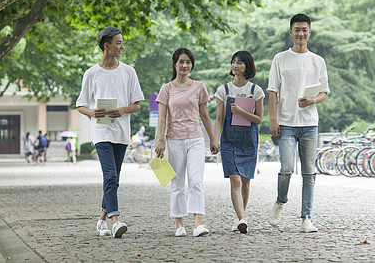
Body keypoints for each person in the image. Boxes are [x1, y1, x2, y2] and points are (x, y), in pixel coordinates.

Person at [76, 26, 144, 238]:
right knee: (110, 175)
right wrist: (92, 113)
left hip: (121, 133)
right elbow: (81, 105)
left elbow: (137, 105)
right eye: (118, 43)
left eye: (122, 42)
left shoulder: (128, 71)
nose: (122, 46)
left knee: (113, 179)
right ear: (107, 46)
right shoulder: (91, 74)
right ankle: (115, 221)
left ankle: (101, 221)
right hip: (101, 133)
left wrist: (121, 110)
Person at [266, 13, 330, 233]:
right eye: (297, 29)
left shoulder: (318, 61)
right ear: (290, 32)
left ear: (309, 32)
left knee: (309, 172)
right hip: (286, 124)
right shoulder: (280, 59)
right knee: (286, 168)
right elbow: (272, 91)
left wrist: (312, 100)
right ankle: (280, 201)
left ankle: (306, 218)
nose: (301, 33)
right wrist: (273, 119)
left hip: (310, 124)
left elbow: (324, 92)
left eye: (305, 29)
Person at [155, 48, 219, 237]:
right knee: (177, 183)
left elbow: (205, 116)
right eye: (181, 62)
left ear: (192, 65)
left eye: (188, 62)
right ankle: (179, 224)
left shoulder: (199, 87)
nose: (185, 66)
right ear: (175, 64)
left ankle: (198, 224)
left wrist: (213, 138)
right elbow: (162, 118)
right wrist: (160, 140)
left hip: (196, 139)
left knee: (196, 181)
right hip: (174, 140)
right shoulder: (166, 89)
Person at [213, 51, 264, 234]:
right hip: (228, 141)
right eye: (233, 62)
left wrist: (241, 111)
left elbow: (259, 119)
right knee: (235, 180)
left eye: (240, 63)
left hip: (248, 141)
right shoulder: (223, 90)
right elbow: (219, 119)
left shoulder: (255, 91)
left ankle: (238, 217)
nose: (235, 65)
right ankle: (242, 219)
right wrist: (215, 139)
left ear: (247, 66)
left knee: (246, 183)